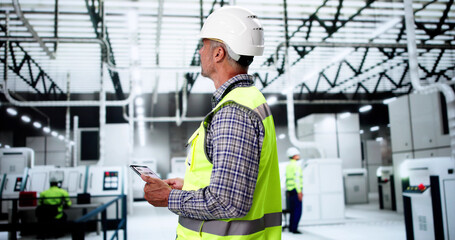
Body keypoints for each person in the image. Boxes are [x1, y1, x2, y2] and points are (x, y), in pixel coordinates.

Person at [141, 6, 282, 239]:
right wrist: (188, 187)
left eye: (203, 45)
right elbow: (234, 182)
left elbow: (228, 202)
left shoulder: (234, 112)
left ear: (218, 54)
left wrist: (168, 197)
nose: (199, 51)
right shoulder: (245, 101)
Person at [285, 147, 303, 234]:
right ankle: (294, 228)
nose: (298, 156)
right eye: (297, 154)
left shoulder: (288, 166)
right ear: (294, 156)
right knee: (297, 210)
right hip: (296, 190)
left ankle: (291, 227)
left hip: (290, 191)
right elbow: (297, 179)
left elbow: (287, 179)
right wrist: (299, 191)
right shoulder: (296, 166)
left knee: (292, 210)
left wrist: (288, 190)